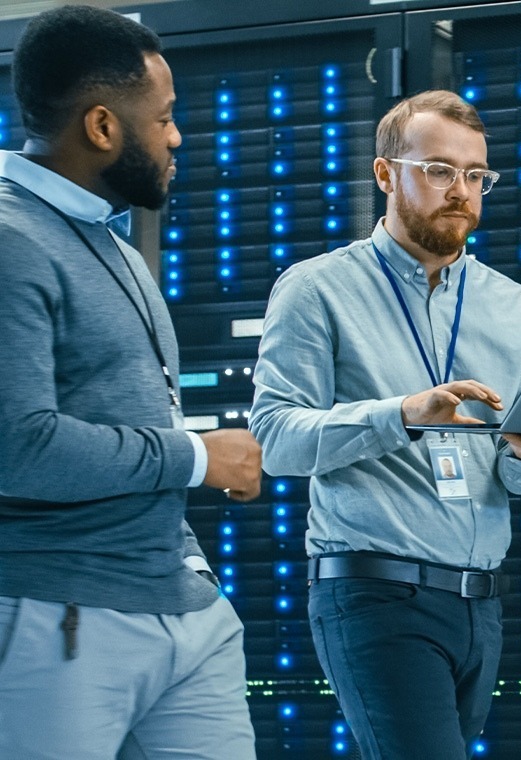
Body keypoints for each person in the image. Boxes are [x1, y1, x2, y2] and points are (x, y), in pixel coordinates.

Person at [249, 89, 521, 759]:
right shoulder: (316, 288)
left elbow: (519, 482)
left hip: (480, 604)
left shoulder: (517, 309)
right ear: (386, 174)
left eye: (476, 176)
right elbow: (275, 440)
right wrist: (402, 414)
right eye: (439, 169)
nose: (462, 191)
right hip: (373, 591)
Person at [0, 6, 262, 759]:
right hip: (61, 616)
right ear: (103, 127)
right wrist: (199, 457)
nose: (177, 138)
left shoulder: (100, 233)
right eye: (167, 118)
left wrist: (193, 569)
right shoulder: (11, 241)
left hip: (180, 610)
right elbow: (19, 447)